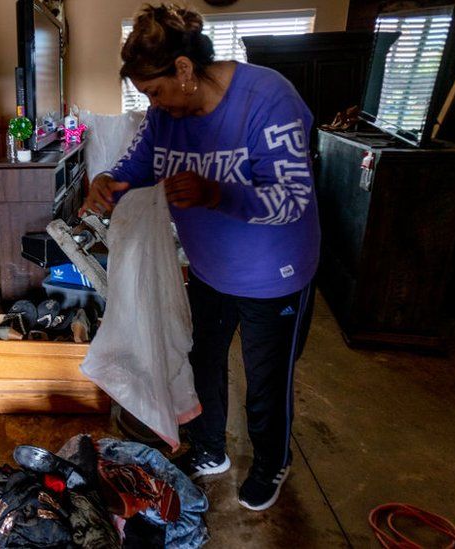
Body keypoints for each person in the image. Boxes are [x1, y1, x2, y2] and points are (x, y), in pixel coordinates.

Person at [83, 4, 320, 512]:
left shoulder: (268, 100)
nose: (154, 103)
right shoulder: (166, 118)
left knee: (267, 380)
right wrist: (110, 180)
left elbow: (292, 199)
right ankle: (211, 449)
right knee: (203, 362)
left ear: (184, 70)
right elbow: (139, 162)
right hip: (211, 269)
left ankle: (271, 461)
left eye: (155, 90)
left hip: (273, 275)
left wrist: (218, 195)